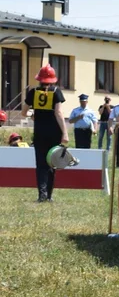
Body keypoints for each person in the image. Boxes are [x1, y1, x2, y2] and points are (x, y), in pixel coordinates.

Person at [22, 64, 68, 202]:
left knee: (41, 165)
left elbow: (24, 112)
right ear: (53, 79)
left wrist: (32, 115)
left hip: (39, 133)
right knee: (52, 163)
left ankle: (41, 195)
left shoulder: (33, 92)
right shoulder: (56, 92)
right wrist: (65, 133)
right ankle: (49, 195)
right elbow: (58, 113)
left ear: (39, 79)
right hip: (54, 133)